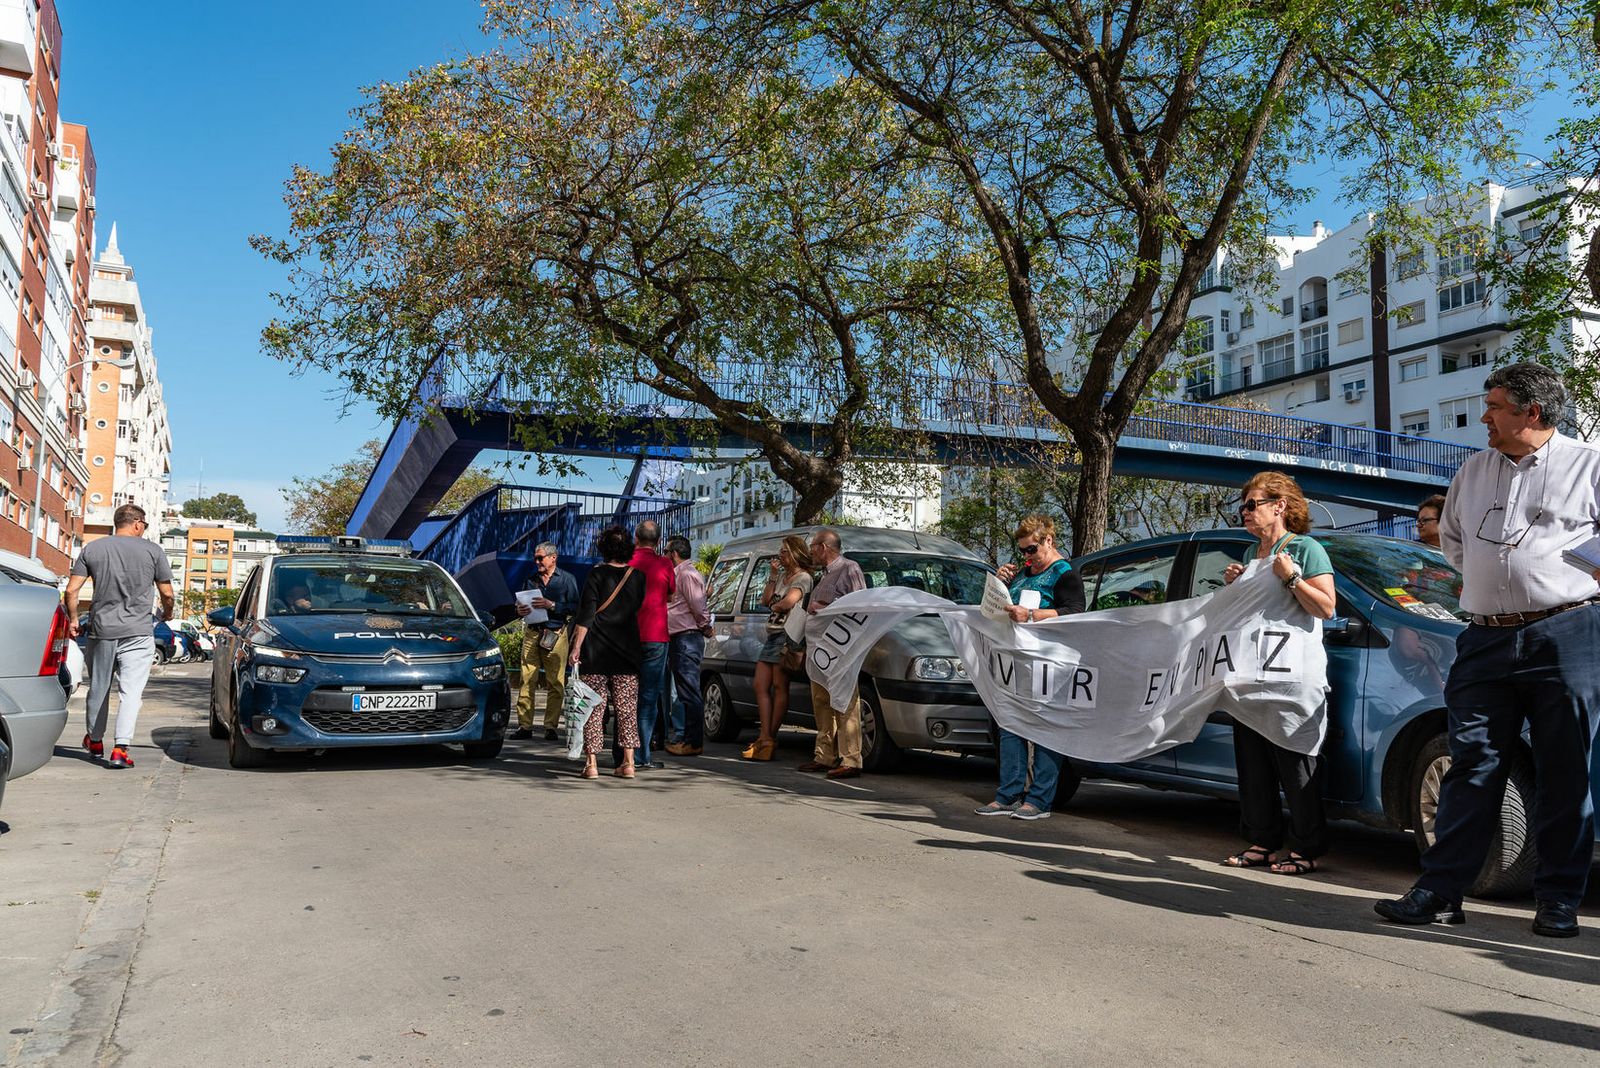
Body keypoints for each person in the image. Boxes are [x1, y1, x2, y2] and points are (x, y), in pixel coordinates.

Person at [1376, 364, 1600, 938]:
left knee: (1563, 768)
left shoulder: (1589, 465)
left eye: (1495, 406)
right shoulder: (1472, 472)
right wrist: (1497, 587)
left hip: (1567, 633)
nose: (1484, 417)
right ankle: (1441, 889)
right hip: (1484, 635)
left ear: (1534, 413)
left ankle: (1557, 899)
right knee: (1469, 763)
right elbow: (1453, 544)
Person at [1217, 471, 1337, 874]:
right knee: (1254, 768)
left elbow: (1325, 607)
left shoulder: (1305, 548)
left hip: (1290, 679)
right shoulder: (1253, 556)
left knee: (1296, 766)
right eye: (1243, 506)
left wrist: (1291, 577)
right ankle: (1262, 840)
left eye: (1253, 504)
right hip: (1253, 677)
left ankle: (1307, 848)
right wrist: (1237, 586)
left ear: (1279, 506)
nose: (1245, 512)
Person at [973, 515, 1086, 820]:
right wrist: (1000, 583)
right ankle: (1008, 794)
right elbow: (999, 607)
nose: (1027, 556)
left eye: (1031, 549)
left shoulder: (1065, 574)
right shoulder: (1023, 572)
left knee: (1045, 731)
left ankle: (1039, 800)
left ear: (1048, 540)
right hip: (1017, 664)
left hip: (1051, 664)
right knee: (1010, 726)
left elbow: (1074, 613)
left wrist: (1032, 615)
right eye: (1022, 550)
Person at [63, 504, 175, 770]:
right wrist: (168, 613)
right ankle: (120, 749)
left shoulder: (93, 549)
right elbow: (167, 594)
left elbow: (70, 591)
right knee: (131, 692)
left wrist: (74, 619)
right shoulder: (153, 551)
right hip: (137, 632)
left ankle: (95, 740)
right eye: (144, 525)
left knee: (99, 688)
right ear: (137, 523)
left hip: (102, 631)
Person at [568, 527, 648, 780]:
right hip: (627, 650)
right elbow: (635, 609)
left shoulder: (596, 574)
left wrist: (576, 646)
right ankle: (628, 763)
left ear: (603, 547)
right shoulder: (638, 577)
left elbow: (586, 615)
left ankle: (591, 764)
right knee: (627, 710)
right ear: (628, 549)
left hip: (596, 650)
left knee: (593, 708)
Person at [801, 528, 865, 779]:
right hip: (820, 653)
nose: (811, 552)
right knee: (822, 702)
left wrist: (826, 608)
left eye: (813, 546)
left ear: (824, 547)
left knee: (846, 703)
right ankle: (824, 756)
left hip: (841, 651)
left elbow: (860, 606)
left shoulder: (849, 569)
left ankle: (851, 760)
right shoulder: (823, 575)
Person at [744, 534, 813, 762]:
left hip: (787, 635)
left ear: (794, 553)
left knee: (778, 685)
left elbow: (787, 602)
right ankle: (766, 737)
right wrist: (773, 577)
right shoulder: (783, 576)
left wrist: (776, 604)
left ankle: (767, 739)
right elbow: (765, 601)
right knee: (760, 684)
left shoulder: (803, 578)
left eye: (784, 551)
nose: (779, 555)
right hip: (773, 633)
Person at [510, 542, 580, 741]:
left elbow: (576, 607)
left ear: (553, 558)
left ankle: (550, 726)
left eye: (541, 558)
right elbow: (519, 605)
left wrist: (552, 605)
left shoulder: (567, 579)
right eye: (535, 558)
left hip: (556, 633)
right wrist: (519, 610)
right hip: (533, 633)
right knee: (526, 679)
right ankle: (525, 726)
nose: (537, 561)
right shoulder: (531, 580)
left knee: (555, 682)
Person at [625, 519, 676, 769]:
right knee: (648, 698)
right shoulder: (665, 563)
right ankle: (642, 755)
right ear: (658, 542)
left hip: (626, 636)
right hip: (656, 635)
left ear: (636, 538)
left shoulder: (625, 562)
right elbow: (670, 594)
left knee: (625, 695)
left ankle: (624, 753)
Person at [664, 535, 714, 756]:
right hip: (680, 637)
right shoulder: (680, 574)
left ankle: (693, 741)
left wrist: (705, 626)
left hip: (687, 637)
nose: (664, 555)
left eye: (666, 552)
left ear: (674, 553)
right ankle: (687, 738)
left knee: (689, 691)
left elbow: (698, 605)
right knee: (684, 690)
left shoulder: (686, 574)